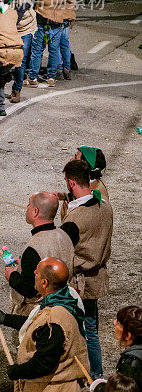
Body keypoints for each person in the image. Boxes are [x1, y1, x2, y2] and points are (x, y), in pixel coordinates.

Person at [0, 257, 89, 392]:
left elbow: (43, 363)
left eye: (37, 273)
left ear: (44, 283)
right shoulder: (67, 299)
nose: (34, 272)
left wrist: (16, 371)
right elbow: (37, 327)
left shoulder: (53, 320)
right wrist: (5, 319)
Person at [61, 159, 114, 380]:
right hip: (97, 277)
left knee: (78, 330)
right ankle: (96, 373)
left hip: (79, 282)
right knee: (92, 329)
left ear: (71, 182)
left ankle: (84, 374)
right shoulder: (106, 206)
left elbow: (63, 248)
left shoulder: (75, 218)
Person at [4, 192, 74, 315]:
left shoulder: (33, 247)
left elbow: (29, 289)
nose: (26, 207)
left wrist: (12, 276)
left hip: (39, 312)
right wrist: (24, 265)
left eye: (29, 205)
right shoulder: (64, 235)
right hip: (64, 305)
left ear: (35, 211)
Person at [27, 0, 71, 89]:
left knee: (37, 51)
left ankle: (33, 78)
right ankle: (51, 77)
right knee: (54, 50)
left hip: (41, 21)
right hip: (58, 21)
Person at [90, 306, 142, 392]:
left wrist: (100, 389)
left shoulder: (131, 364)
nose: (114, 322)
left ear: (127, 335)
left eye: (118, 323)